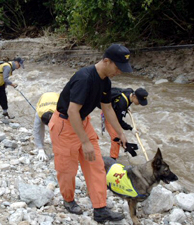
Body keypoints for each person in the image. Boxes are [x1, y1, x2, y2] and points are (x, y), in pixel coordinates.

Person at [49, 44, 133, 223]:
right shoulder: (84, 78)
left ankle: (100, 208)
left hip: (83, 122)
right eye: (118, 67)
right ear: (106, 61)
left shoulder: (105, 81)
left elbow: (108, 107)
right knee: (67, 170)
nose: (119, 71)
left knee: (96, 165)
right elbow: (72, 111)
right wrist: (84, 142)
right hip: (65, 124)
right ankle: (69, 199)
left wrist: (120, 132)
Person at [102, 87, 149, 160]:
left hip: (114, 111)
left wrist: (125, 108)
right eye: (139, 101)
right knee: (117, 138)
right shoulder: (122, 103)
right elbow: (119, 121)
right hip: (108, 116)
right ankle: (113, 159)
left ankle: (116, 155)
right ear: (134, 96)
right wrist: (131, 128)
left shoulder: (130, 91)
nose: (139, 103)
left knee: (120, 137)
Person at [33, 92, 60, 161]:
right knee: (39, 128)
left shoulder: (59, 112)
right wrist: (40, 149)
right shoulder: (39, 114)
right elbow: (37, 131)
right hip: (44, 97)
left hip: (56, 96)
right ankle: (40, 146)